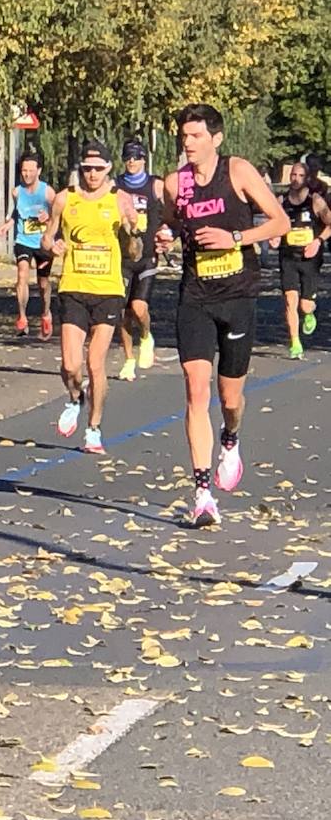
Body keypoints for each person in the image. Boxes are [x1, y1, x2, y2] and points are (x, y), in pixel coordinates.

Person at [155, 103, 290, 526]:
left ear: (215, 138)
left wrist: (235, 238)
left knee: (229, 398)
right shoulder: (175, 184)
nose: (187, 142)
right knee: (196, 391)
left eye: (195, 135)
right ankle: (201, 494)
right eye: (183, 135)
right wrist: (165, 236)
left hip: (238, 295)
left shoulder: (238, 171)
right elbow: (171, 226)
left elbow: (280, 222)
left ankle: (231, 439)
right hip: (195, 296)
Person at [41, 140, 142, 454]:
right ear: (80, 169)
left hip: (108, 290)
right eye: (87, 169)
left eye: (99, 168)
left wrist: (132, 232)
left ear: (109, 168)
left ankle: (94, 429)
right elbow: (48, 236)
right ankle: (75, 397)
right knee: (71, 365)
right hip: (73, 287)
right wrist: (51, 246)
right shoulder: (63, 199)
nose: (93, 174)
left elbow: (134, 253)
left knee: (94, 362)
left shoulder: (121, 200)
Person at [115, 140, 164, 381]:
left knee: (138, 308)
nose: (131, 161)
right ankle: (128, 359)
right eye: (128, 157)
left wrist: (166, 233)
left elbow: (173, 213)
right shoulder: (115, 185)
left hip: (147, 257)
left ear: (144, 159)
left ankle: (146, 336)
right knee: (122, 312)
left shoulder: (155, 185)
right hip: (121, 257)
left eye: (135, 157)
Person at [0, 154, 56, 339]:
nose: (27, 174)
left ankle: (46, 314)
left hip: (43, 242)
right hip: (23, 240)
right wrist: (9, 223)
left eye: (31, 170)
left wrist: (48, 217)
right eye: (24, 170)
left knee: (43, 283)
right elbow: (17, 212)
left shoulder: (48, 192)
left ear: (38, 171)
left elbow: (59, 215)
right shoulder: (17, 192)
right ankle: (22, 318)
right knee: (22, 274)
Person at [276, 161, 331, 359]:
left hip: (310, 258)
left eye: (300, 175)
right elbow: (272, 223)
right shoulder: (282, 201)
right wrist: (273, 236)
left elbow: (329, 224)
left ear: (306, 178)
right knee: (290, 301)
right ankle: (295, 342)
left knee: (304, 305)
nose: (296, 179)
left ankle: (309, 313)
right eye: (293, 175)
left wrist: (318, 241)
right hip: (288, 257)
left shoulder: (314, 200)